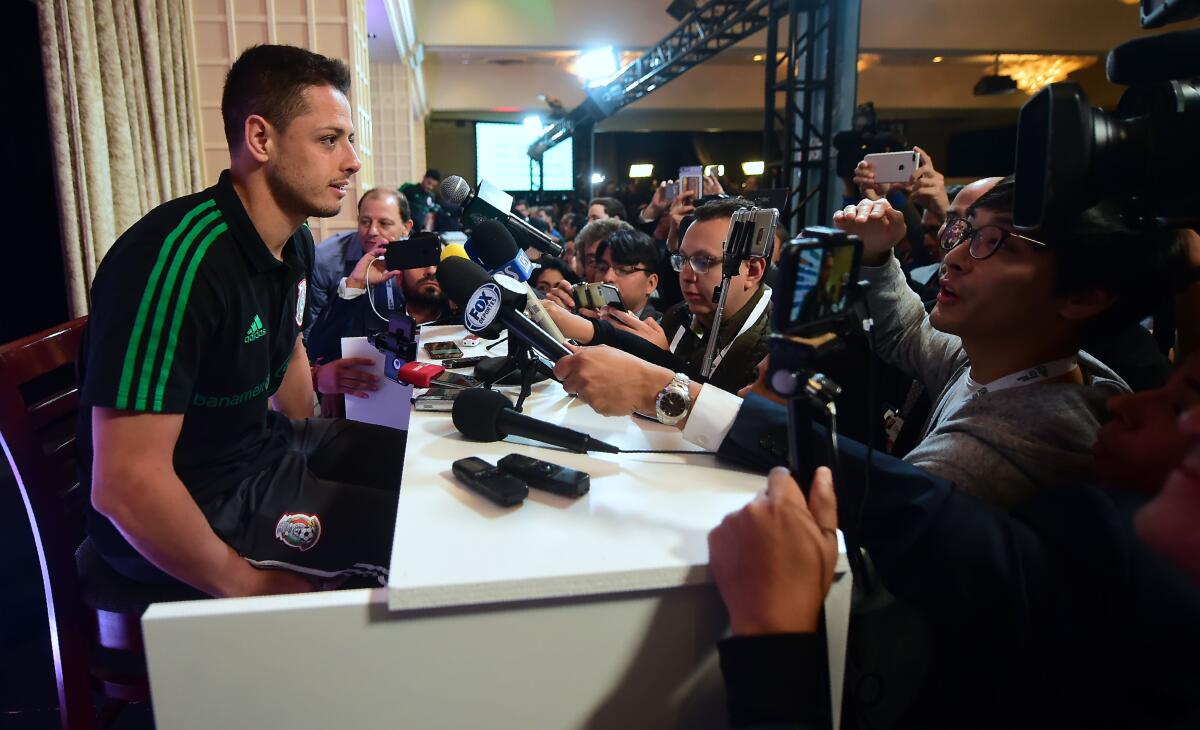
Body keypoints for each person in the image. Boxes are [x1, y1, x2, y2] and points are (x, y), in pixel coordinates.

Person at [78, 44, 406, 597]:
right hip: (196, 499)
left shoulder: (294, 242)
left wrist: (317, 443)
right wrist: (245, 584)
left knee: (420, 473)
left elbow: (288, 354)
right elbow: (126, 485)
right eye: (329, 140)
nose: (352, 160)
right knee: (414, 550)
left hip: (262, 451)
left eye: (349, 139)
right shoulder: (175, 258)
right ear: (260, 139)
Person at [550, 198, 771, 395]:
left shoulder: (775, 351)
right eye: (683, 260)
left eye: (704, 262)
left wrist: (660, 362)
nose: (687, 275)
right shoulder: (678, 315)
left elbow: (733, 422)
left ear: (752, 271)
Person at [307, 187, 413, 340]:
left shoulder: (415, 260)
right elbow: (310, 326)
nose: (372, 231)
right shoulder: (326, 259)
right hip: (341, 348)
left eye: (384, 223)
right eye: (365, 222)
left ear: (406, 228)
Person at [594, 227, 661, 320]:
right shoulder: (583, 321)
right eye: (602, 268)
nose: (607, 277)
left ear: (650, 284)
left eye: (622, 270)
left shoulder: (664, 330)